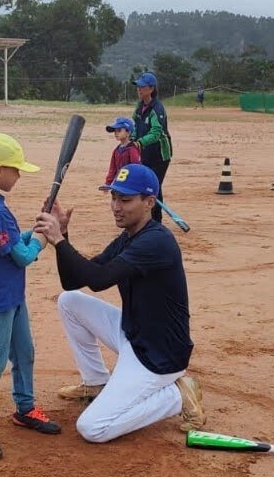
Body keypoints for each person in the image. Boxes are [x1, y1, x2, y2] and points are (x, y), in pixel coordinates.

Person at [34, 163, 205, 444]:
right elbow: (74, 280)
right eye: (114, 198)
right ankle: (96, 382)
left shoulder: (156, 242)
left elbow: (99, 280)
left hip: (158, 357)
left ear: (149, 202)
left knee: (92, 428)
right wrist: (64, 236)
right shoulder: (128, 238)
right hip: (134, 333)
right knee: (70, 301)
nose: (116, 206)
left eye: (125, 200)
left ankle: (177, 396)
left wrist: (59, 240)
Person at [0, 133, 61, 459]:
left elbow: (15, 242)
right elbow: (21, 256)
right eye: (16, 170)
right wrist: (44, 242)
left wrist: (40, 228)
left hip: (11, 294)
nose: (19, 176)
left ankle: (25, 407)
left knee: (24, 352)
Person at [131, 71, 172, 222]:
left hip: (160, 155)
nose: (139, 90)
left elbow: (156, 133)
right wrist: (133, 138)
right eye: (138, 87)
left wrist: (139, 142)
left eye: (142, 87)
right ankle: (147, 218)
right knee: (148, 184)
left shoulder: (157, 108)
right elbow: (135, 124)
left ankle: (156, 220)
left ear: (151, 89)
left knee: (154, 186)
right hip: (145, 153)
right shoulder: (139, 106)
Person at [102, 116, 141, 187]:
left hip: (130, 183)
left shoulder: (132, 149)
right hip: (119, 182)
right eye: (115, 131)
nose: (116, 133)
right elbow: (112, 168)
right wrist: (108, 183)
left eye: (119, 130)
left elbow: (136, 168)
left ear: (128, 133)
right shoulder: (116, 150)